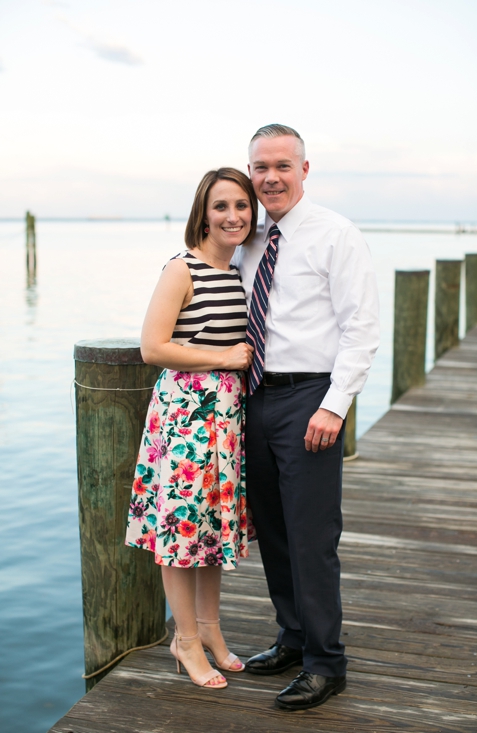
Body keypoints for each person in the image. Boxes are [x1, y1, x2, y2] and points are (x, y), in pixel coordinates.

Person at [237, 124, 380, 711]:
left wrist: (333, 406)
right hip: (254, 398)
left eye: (281, 166)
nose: (270, 177)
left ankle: (327, 663)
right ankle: (292, 639)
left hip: (309, 398)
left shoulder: (334, 234)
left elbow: (362, 329)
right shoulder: (245, 237)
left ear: (303, 169)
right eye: (260, 167)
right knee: (271, 528)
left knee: (312, 537)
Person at [125, 167, 257, 689]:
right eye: (222, 206)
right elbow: (152, 347)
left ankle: (209, 631)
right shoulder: (183, 269)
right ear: (203, 212)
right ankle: (183, 639)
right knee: (181, 530)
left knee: (209, 529)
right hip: (185, 413)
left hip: (225, 416)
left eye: (242, 206)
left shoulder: (238, 269)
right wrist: (224, 356)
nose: (233, 216)